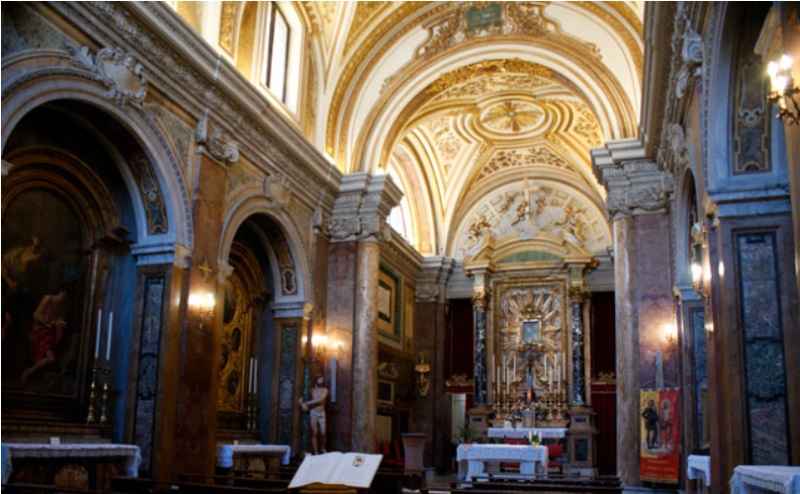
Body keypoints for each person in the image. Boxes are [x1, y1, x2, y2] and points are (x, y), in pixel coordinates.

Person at [21, 289, 67, 385]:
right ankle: (28, 372)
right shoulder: (48, 299)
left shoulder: (63, 306)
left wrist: (57, 323)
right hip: (40, 332)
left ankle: (30, 372)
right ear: (60, 292)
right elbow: (36, 315)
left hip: (49, 335)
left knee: (51, 359)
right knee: (51, 358)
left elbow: (58, 321)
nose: (64, 297)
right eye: (64, 293)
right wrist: (46, 323)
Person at [299, 374, 329, 454]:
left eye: (322, 380)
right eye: (320, 379)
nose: (321, 381)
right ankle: (315, 452)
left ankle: (323, 448)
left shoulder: (324, 390)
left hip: (322, 414)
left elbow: (320, 399)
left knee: (323, 433)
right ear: (316, 380)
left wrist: (308, 403)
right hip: (313, 413)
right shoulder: (311, 390)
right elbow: (302, 400)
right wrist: (301, 403)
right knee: (314, 433)